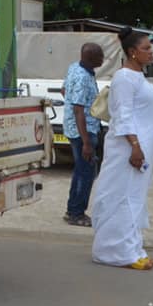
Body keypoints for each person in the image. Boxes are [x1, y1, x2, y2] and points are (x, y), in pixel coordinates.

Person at [91, 27, 153, 270]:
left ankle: (132, 248)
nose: (151, 53)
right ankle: (114, 252)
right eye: (146, 49)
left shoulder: (139, 76)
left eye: (150, 48)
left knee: (135, 198)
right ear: (132, 52)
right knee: (122, 197)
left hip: (142, 147)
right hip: (129, 149)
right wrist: (135, 147)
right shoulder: (123, 78)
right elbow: (123, 115)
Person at [62, 42, 105, 227]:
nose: (103, 59)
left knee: (81, 170)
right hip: (83, 132)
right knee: (86, 173)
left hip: (78, 128)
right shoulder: (81, 77)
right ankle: (76, 213)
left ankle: (72, 209)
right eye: (100, 57)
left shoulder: (75, 67)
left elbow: (65, 90)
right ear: (91, 58)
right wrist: (87, 142)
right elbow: (79, 110)